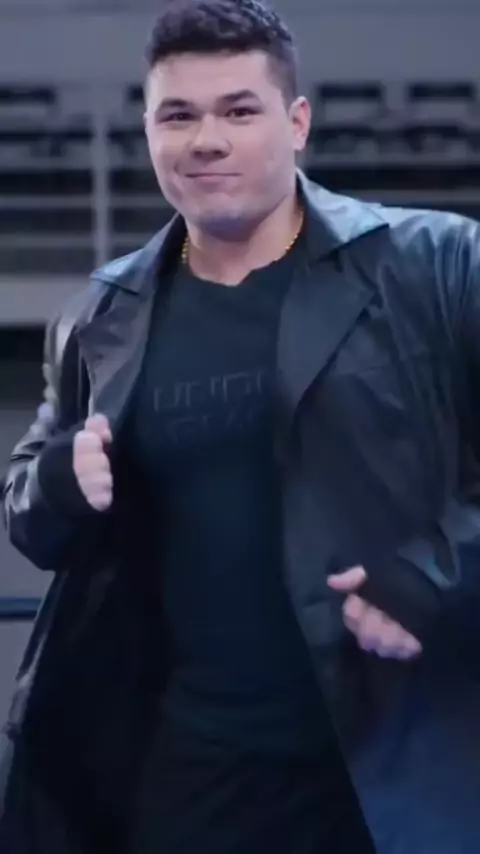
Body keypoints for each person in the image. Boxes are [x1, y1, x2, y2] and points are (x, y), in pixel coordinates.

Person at [2, 0, 480, 851]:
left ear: (297, 123)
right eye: (178, 116)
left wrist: (438, 574)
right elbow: (30, 516)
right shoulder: (102, 315)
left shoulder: (439, 263)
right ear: (148, 133)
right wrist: (57, 483)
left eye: (238, 111)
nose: (206, 140)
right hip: (192, 776)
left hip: (405, 766)